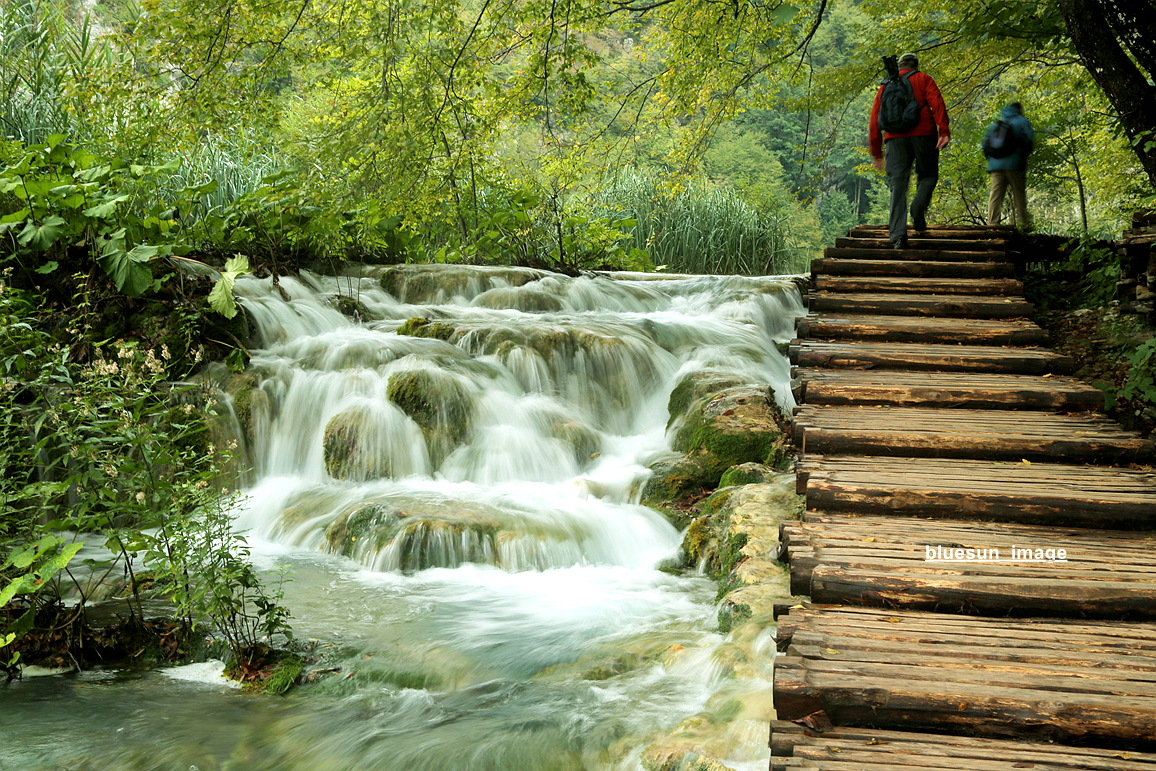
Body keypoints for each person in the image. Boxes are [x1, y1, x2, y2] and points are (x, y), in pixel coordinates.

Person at [869, 52, 951, 249]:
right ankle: (918, 207)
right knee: (928, 175)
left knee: (898, 186)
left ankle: (898, 236)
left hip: (894, 139)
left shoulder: (886, 85)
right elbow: (937, 103)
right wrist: (944, 130)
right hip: (924, 134)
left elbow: (874, 119)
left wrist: (877, 152)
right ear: (916, 65)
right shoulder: (924, 79)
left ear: (900, 66)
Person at [985, 102, 1034, 230]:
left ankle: (992, 225)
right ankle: (1025, 225)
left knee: (995, 196)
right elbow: (1029, 141)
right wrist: (1021, 159)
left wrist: (993, 160)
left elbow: (985, 145)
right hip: (1014, 165)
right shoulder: (1022, 122)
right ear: (1018, 109)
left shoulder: (997, 123)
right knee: (1019, 195)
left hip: (995, 166)